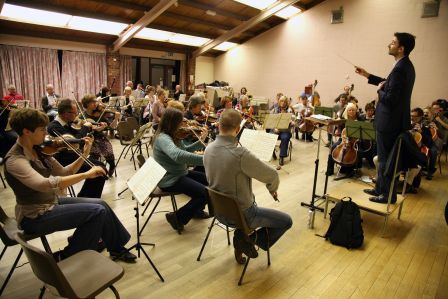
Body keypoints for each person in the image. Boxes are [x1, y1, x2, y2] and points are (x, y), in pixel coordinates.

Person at [4, 108, 136, 262]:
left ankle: (116, 248)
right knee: (97, 212)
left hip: (50, 202)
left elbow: (64, 172)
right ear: (27, 132)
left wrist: (84, 154)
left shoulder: (38, 150)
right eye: (41, 129)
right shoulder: (15, 160)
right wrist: (86, 174)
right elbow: (44, 184)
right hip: (34, 216)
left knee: (101, 205)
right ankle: (67, 255)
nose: (46, 132)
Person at [204, 109, 292, 263]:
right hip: (243, 215)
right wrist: (272, 189)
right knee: (286, 221)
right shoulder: (240, 154)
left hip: (218, 210)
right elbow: (272, 175)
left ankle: (243, 239)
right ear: (238, 129)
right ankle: (248, 240)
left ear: (218, 126)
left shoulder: (208, 149)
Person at [356, 32, 416, 204]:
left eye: (393, 42)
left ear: (401, 48)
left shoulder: (399, 69)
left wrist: (379, 91)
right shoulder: (405, 66)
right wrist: (368, 75)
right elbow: (389, 84)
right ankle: (380, 189)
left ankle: (387, 195)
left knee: (386, 160)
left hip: (389, 121)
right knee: (383, 158)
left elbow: (390, 98)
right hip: (393, 120)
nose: (389, 45)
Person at [152, 108, 210, 232]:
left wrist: (202, 140)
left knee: (209, 181)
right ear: (172, 123)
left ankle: (196, 209)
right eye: (180, 122)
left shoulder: (174, 135)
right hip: (169, 179)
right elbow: (178, 155)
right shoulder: (163, 138)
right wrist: (205, 159)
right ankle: (177, 217)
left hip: (180, 173)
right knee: (205, 193)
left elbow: (186, 150)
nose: (184, 125)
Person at [47, 99, 107, 197]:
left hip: (74, 157)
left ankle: (85, 198)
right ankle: (87, 200)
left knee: (101, 167)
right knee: (100, 172)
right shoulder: (54, 127)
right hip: (64, 161)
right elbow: (76, 143)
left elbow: (82, 138)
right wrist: (85, 127)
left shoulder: (69, 123)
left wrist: (95, 130)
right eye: (75, 113)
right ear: (66, 113)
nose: (77, 115)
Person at [81, 95, 120, 177]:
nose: (95, 104)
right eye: (93, 102)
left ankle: (112, 166)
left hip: (101, 138)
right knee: (96, 155)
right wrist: (96, 129)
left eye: (96, 101)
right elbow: (81, 131)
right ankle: (100, 172)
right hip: (90, 139)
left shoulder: (100, 114)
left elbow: (112, 127)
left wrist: (116, 119)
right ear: (86, 104)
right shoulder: (82, 116)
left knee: (109, 154)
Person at [270, 96, 294, 166]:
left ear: (286, 102)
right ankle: (272, 151)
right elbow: (270, 121)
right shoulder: (275, 110)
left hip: (285, 131)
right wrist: (274, 129)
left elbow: (294, 121)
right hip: (276, 130)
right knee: (270, 135)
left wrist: (292, 123)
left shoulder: (290, 110)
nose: (283, 103)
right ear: (279, 102)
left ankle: (281, 157)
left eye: (284, 101)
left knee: (285, 137)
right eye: (281, 101)